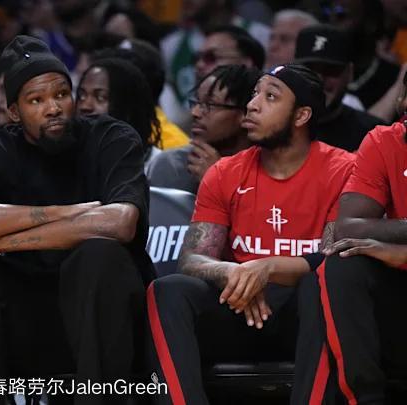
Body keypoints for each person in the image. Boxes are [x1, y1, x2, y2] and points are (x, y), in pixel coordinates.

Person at [0, 35, 150, 405]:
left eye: (61, 94)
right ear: (14, 113)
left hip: (101, 316)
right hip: (26, 320)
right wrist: (61, 212)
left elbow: (120, 222)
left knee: (99, 254)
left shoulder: (111, 137)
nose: (54, 108)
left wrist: (6, 241)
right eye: (36, 100)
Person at [147, 64, 355, 405]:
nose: (253, 105)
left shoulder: (343, 170)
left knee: (321, 287)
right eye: (255, 93)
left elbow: (334, 257)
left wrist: (267, 268)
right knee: (167, 290)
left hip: (303, 318)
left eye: (270, 96)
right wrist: (232, 271)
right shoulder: (225, 172)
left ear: (301, 115)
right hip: (240, 306)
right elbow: (192, 258)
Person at [301, 68, 407, 404]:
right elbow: (346, 227)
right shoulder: (384, 141)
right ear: (402, 101)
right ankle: (365, 398)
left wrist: (400, 253)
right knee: (342, 262)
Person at [147, 64, 261, 193]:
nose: (195, 113)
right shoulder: (170, 166)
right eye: (196, 102)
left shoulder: (270, 171)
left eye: (210, 104)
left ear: (247, 113)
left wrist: (218, 181)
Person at [294, 24, 385, 152]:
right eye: (309, 69)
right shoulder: (272, 123)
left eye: (331, 69)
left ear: (350, 73)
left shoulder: (373, 136)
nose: (319, 79)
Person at [76, 57, 161, 165]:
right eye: (81, 96)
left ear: (127, 108)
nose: (85, 106)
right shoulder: (69, 159)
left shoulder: (157, 165)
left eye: (100, 97)